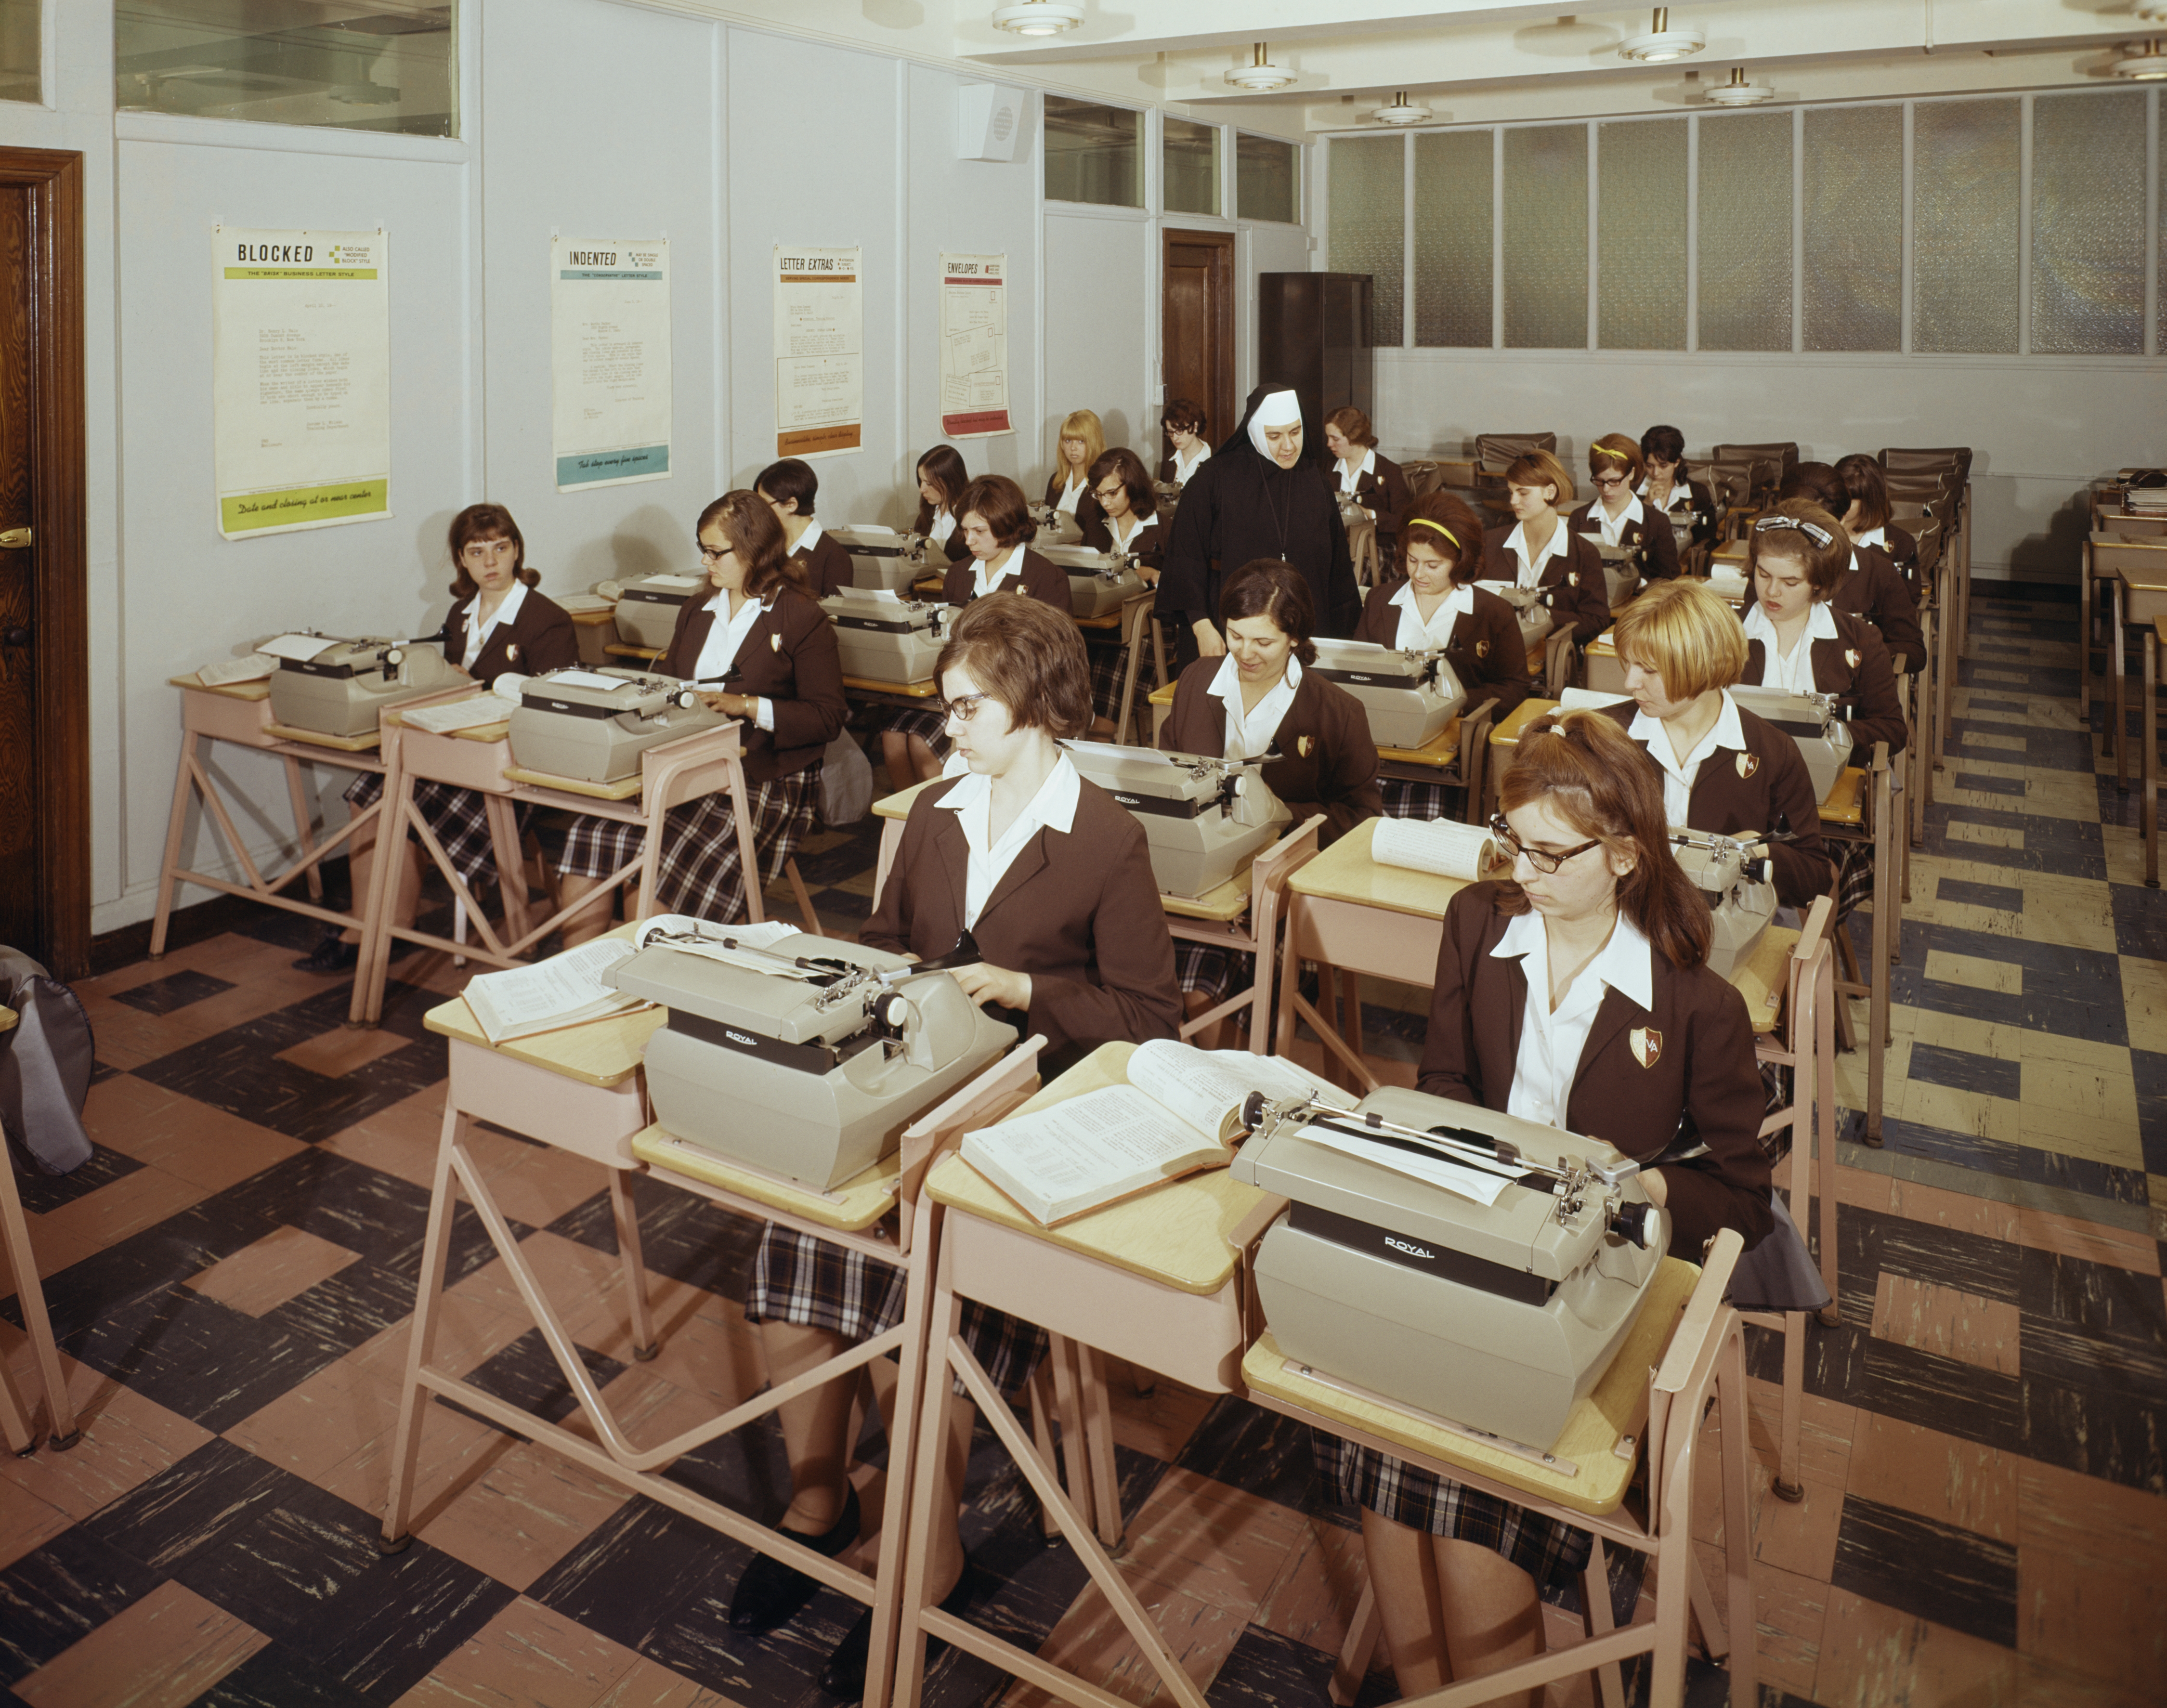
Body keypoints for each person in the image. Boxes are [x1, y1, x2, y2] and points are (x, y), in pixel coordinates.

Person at [736, 593, 1179, 1695]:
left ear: (1031, 700)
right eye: (947, 710)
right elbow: (888, 946)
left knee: (906, 1317)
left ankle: (926, 1565)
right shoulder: (937, 809)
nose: (950, 729)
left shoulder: (1105, 835)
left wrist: (1029, 987)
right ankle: (817, 1501)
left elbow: (1148, 1017)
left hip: (1024, 1106)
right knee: (787, 1270)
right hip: (916, 1084)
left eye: (967, 707)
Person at [1327, 710, 1771, 1708]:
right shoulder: (1478, 924)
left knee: (1446, 1466)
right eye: (1509, 842)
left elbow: (1745, 1197)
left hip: (1602, 1275)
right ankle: (1432, 1685)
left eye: (1547, 854)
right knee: (1374, 1426)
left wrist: (1640, 1184)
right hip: (1481, 1232)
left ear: (1621, 854)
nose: (1519, 871)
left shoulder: (1695, 998)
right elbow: (1445, 1082)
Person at [297, 504, 577, 973]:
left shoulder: (546, 619)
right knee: (370, 794)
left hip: (512, 767)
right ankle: (375, 923)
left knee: (397, 798)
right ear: (461, 561)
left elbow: (556, 705)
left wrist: (475, 683)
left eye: (501, 549)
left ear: (517, 552)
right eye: (477, 552)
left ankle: (376, 930)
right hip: (457, 751)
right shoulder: (458, 613)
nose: (491, 562)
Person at [554, 492, 845, 942]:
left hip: (765, 776)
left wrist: (745, 706)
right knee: (594, 831)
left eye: (716, 552)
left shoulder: (802, 617)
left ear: (757, 549)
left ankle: (647, 984)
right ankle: (581, 973)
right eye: (703, 550)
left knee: (659, 858)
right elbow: (670, 687)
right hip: (686, 762)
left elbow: (827, 718)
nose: (706, 562)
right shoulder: (696, 611)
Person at [1160, 561, 1381, 1043]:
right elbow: (1166, 773)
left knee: (1200, 994)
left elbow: (1364, 818)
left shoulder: (1338, 712)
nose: (1245, 653)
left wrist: (1274, 814)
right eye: (1235, 636)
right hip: (1194, 877)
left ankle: (1215, 1089)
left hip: (1280, 884)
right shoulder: (1198, 681)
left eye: (1264, 642)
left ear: (1296, 636)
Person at [1605, 578, 1833, 912]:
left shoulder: (1772, 751)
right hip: (1617, 913)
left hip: (1723, 922)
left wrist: (1759, 852)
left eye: (1649, 670)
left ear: (1702, 665)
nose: (1630, 683)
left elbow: (1815, 876)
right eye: (1629, 664)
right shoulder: (1601, 737)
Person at [1742, 501, 1909, 920]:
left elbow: (1893, 729)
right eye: (1763, 575)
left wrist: (1832, 738)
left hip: (1825, 802)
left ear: (1820, 584)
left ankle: (1803, 960)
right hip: (1743, 788)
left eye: (1790, 581)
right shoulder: (1723, 635)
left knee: (1817, 869)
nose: (1772, 592)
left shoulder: (1859, 638)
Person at [1353, 493, 1530, 819]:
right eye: (1412, 560)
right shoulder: (1380, 601)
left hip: (1452, 755)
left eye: (1433, 565)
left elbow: (1516, 688)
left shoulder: (1493, 612)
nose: (1419, 574)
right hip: (1382, 746)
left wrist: (1455, 702)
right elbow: (1359, 672)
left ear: (1460, 561)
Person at [1161, 382, 1359, 669]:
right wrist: (1202, 627)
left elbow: (1337, 572)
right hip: (1229, 634)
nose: (1289, 446)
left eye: (1295, 432)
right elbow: (1184, 557)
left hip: (1304, 636)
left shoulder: (1315, 480)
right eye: (1275, 436)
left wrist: (1344, 643)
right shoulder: (1214, 478)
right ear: (1254, 432)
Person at [1759, 461, 1922, 673]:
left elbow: (1913, 651)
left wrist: (1852, 659)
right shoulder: (1768, 569)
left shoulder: (1879, 571)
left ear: (1842, 520)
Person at [1478, 449, 1610, 647]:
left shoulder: (1584, 553)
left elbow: (1596, 621)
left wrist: (1545, 618)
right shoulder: (1489, 543)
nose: (1513, 501)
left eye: (1523, 493)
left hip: (1550, 656)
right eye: (1511, 492)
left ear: (1550, 491)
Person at [1080, 446, 1165, 734]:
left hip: (1147, 628)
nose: (1105, 502)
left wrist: (1154, 574)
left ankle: (1101, 735)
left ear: (1133, 486)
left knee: (1115, 662)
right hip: (1102, 624)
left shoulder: (1163, 527)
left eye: (1112, 493)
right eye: (1098, 494)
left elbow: (1179, 584)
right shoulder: (1096, 526)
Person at [941, 474, 1074, 611]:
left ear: (1005, 525)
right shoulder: (957, 574)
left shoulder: (1048, 578)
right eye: (965, 530)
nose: (969, 541)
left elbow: (1056, 633)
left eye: (980, 531)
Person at [1568, 433, 1680, 589]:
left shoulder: (1656, 522)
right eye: (1599, 481)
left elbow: (1669, 577)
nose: (1606, 489)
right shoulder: (1579, 517)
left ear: (1632, 473)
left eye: (1614, 481)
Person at [1323, 406, 1413, 560]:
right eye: (1328, 438)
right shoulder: (1327, 468)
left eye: (1335, 439)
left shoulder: (1390, 471)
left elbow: (1405, 522)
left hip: (1377, 550)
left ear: (1354, 437)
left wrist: (1369, 515)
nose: (1329, 444)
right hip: (1335, 547)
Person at [757, 457, 850, 598]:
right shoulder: (766, 544)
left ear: (791, 505)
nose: (759, 511)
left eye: (764, 504)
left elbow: (835, 617)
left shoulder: (834, 556)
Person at [1833, 452, 1919, 580]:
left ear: (1870, 500)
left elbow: (1909, 596)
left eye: (1848, 499)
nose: (1839, 502)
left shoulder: (1902, 543)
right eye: (1835, 495)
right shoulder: (1818, 535)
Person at [1638, 424, 1718, 552]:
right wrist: (1647, 503)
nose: (1656, 473)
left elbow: (1708, 541)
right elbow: (1627, 535)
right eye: (1649, 466)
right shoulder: (1632, 492)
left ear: (1677, 462)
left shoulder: (1698, 493)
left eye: (1663, 466)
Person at [1044, 409, 1107, 539]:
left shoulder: (1104, 483)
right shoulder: (1055, 481)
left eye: (1081, 441)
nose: (1073, 448)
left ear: (1094, 443)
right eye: (1068, 441)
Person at [913, 444, 972, 564]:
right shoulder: (925, 516)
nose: (922, 489)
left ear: (950, 482)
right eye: (921, 481)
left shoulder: (973, 516)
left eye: (929, 483)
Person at [1159, 398, 1210, 487]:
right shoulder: (1168, 460)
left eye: (1179, 431)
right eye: (1171, 432)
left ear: (1195, 426)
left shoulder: (1213, 458)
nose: (1175, 438)